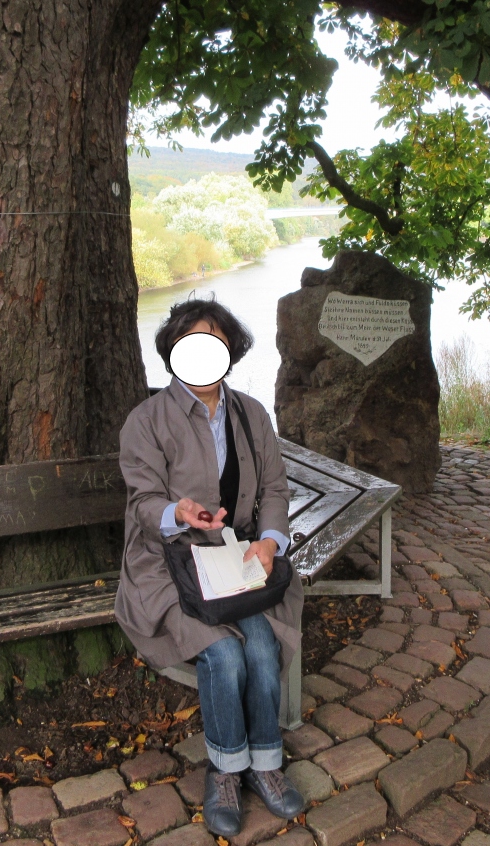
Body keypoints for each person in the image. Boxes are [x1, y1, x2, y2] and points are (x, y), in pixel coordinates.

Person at [114, 297, 305, 836]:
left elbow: (274, 489)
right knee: (224, 654)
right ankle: (225, 769)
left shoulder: (250, 413)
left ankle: (265, 764)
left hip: (235, 557)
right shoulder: (147, 420)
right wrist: (177, 512)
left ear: (230, 349)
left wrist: (269, 541)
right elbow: (142, 501)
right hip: (168, 562)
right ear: (174, 351)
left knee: (262, 648)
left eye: (215, 342)